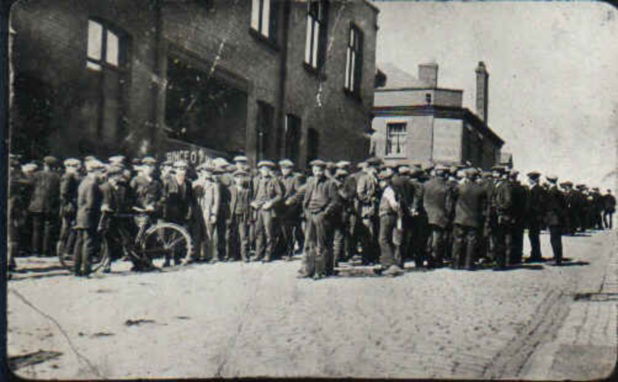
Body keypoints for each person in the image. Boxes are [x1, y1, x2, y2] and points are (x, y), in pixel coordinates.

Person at [298, 159, 340, 280]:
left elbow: (335, 202)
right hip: (310, 214)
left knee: (321, 244)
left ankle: (320, 271)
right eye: (315, 170)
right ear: (312, 170)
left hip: (321, 215)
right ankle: (307, 269)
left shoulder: (330, 183)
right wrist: (306, 212)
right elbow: (304, 196)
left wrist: (325, 213)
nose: (317, 173)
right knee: (308, 243)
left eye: (320, 170)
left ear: (323, 171)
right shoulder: (310, 181)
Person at [73, 159, 105, 277]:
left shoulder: (83, 182)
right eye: (99, 171)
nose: (100, 174)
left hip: (81, 215)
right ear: (94, 171)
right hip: (89, 216)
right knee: (88, 243)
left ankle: (76, 268)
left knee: (79, 242)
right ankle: (86, 269)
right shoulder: (92, 184)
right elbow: (91, 203)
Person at [451, 168, 487, 270]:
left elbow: (452, 199)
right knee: (471, 241)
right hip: (474, 218)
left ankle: (456, 263)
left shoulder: (459, 188)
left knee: (458, 240)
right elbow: (483, 205)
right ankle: (469, 264)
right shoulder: (481, 189)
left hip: (460, 217)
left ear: (466, 176)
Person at [28, 155, 61, 256]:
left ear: (44, 164)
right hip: (50, 205)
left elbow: (30, 187)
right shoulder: (57, 177)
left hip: (36, 204)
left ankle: (35, 251)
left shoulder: (36, 174)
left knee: (36, 229)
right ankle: (46, 251)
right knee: (48, 228)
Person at [161, 160, 194, 266]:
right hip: (169, 214)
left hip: (182, 213)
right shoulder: (167, 181)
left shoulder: (188, 183)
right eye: (180, 169)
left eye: (184, 169)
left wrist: (189, 212)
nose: (182, 171)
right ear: (175, 170)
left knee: (180, 236)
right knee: (168, 237)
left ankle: (177, 258)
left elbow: (190, 199)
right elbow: (163, 197)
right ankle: (167, 259)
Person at [251, 160, 284, 262]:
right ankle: (258, 253)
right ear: (260, 170)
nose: (264, 171)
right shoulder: (256, 180)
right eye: (262, 169)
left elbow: (279, 195)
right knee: (258, 232)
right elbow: (251, 194)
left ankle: (268, 254)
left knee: (268, 232)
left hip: (268, 209)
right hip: (258, 208)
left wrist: (271, 203)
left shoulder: (274, 180)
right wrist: (252, 202)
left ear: (270, 170)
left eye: (267, 169)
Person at [422, 164, 450, 268]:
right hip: (440, 215)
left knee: (428, 238)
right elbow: (448, 204)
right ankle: (435, 260)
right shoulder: (446, 187)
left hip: (426, 214)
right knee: (437, 239)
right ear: (445, 174)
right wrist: (448, 215)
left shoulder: (426, 184)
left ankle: (428, 258)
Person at [377, 169, 405, 276]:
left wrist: (395, 211)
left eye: (381, 180)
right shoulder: (395, 189)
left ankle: (390, 264)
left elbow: (394, 204)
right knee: (389, 239)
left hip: (387, 215)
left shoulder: (388, 190)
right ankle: (387, 264)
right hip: (391, 216)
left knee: (383, 239)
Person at [193, 163, 220, 262]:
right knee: (196, 233)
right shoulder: (195, 183)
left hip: (207, 211)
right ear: (202, 172)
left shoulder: (214, 185)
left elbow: (216, 201)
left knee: (208, 233)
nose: (208, 173)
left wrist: (214, 214)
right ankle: (196, 255)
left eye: (210, 172)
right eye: (206, 171)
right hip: (197, 212)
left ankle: (208, 256)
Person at [356, 157, 381, 265]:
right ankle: (366, 258)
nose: (378, 170)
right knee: (367, 235)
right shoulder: (364, 178)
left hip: (375, 210)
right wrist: (370, 199)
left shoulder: (376, 178)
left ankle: (372, 257)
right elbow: (360, 193)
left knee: (374, 234)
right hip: (366, 210)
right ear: (371, 167)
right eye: (376, 167)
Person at [278, 159, 305, 260]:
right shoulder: (279, 178)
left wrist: (291, 201)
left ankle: (289, 251)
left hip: (291, 207)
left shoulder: (295, 179)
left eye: (287, 168)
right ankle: (282, 250)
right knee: (282, 229)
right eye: (283, 168)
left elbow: (299, 193)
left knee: (288, 230)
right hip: (281, 207)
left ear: (291, 169)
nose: (284, 170)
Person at [228, 169, 253, 262]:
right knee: (233, 235)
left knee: (243, 236)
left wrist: (250, 217)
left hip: (243, 215)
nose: (240, 180)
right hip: (233, 215)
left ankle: (244, 255)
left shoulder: (247, 191)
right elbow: (227, 203)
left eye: (242, 177)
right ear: (234, 179)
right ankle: (234, 255)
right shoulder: (230, 189)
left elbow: (249, 204)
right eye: (237, 178)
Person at [58, 158, 82, 255]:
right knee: (69, 227)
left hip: (70, 205)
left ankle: (66, 249)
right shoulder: (69, 176)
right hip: (70, 206)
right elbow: (64, 192)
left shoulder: (71, 176)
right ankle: (66, 250)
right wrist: (70, 201)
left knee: (69, 227)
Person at [491, 167, 514, 270]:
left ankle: (501, 264)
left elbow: (508, 202)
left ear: (500, 174)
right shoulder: (496, 184)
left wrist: (498, 207)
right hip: (495, 216)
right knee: (496, 239)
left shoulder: (505, 185)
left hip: (501, 216)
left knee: (500, 240)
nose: (494, 174)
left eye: (495, 173)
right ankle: (497, 261)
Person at [545, 175, 566, 265]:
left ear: (549, 181)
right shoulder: (558, 192)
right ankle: (557, 257)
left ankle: (557, 259)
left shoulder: (552, 192)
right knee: (556, 239)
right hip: (557, 218)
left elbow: (555, 206)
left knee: (555, 239)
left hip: (554, 218)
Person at [525, 171, 545, 262]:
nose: (529, 180)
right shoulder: (534, 189)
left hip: (534, 217)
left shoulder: (537, 190)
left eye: (530, 179)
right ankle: (535, 254)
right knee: (533, 236)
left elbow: (539, 204)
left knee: (534, 236)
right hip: (533, 216)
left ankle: (536, 255)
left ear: (534, 180)